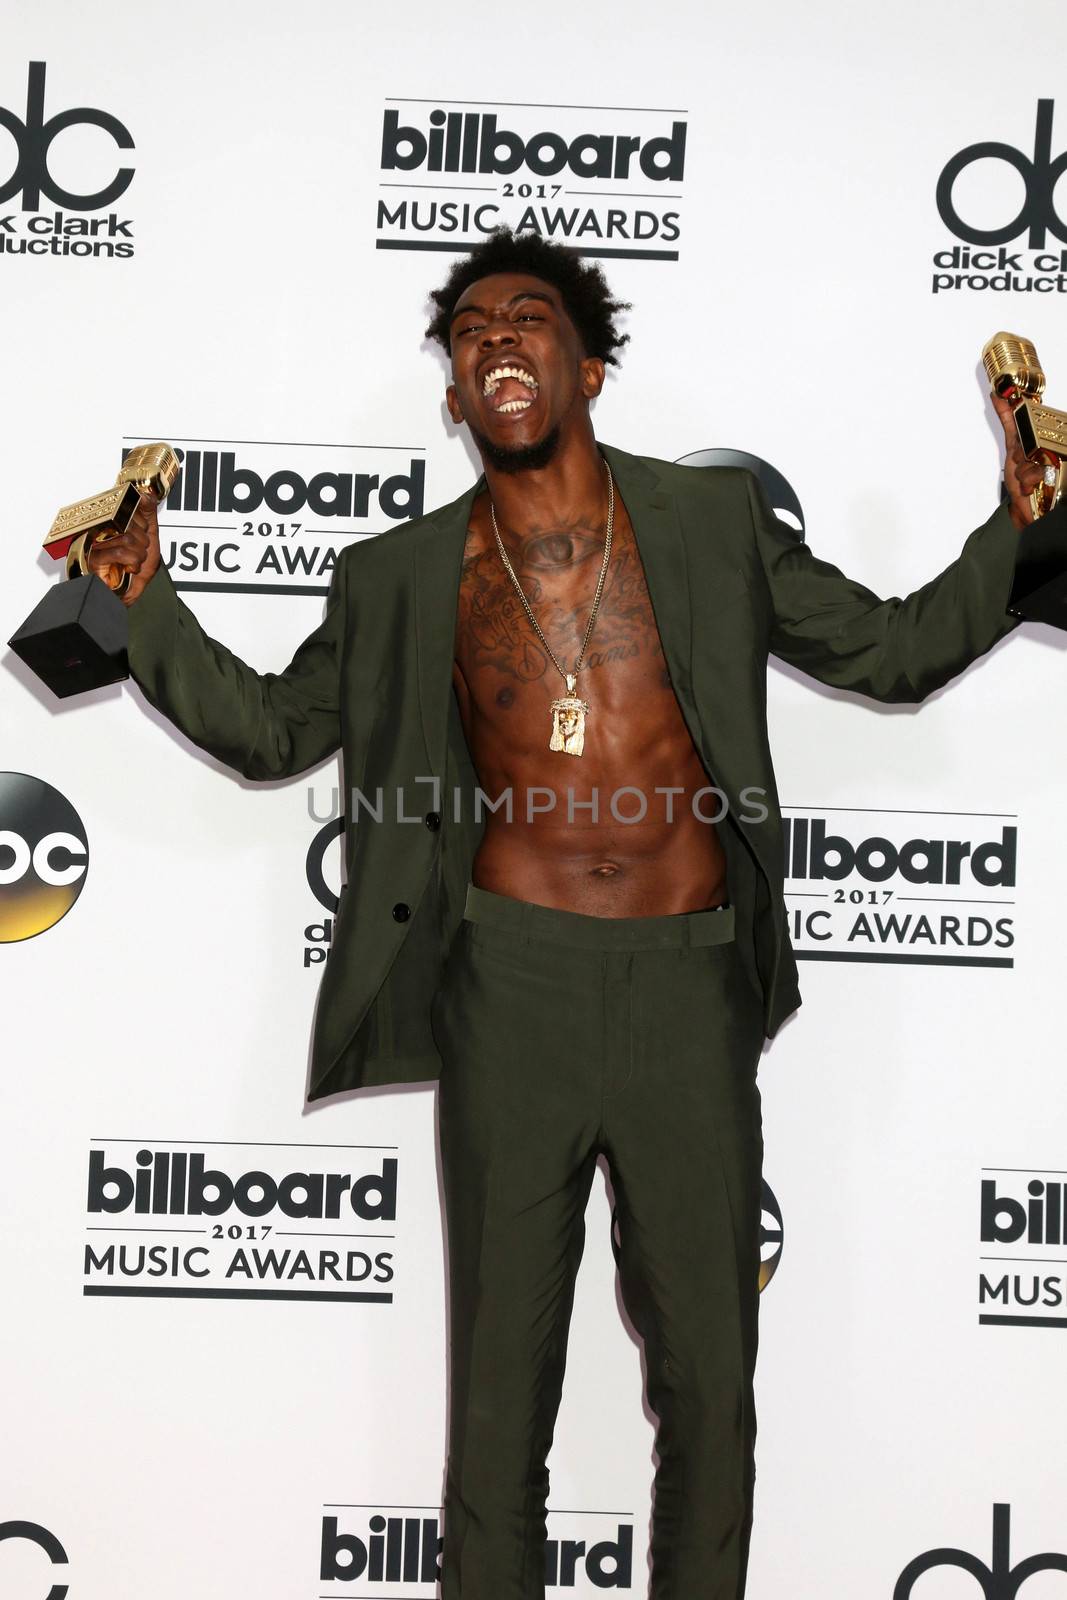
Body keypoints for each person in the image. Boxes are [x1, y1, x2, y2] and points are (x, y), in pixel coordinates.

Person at [90, 227, 1053, 1600]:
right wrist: (146, 612)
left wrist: (1021, 534)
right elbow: (270, 732)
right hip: (510, 991)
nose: (495, 341)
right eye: (469, 330)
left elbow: (892, 654)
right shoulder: (400, 576)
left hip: (688, 983)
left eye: (527, 318)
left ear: (589, 367)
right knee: (496, 1414)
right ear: (453, 392)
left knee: (713, 1390)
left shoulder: (713, 531)